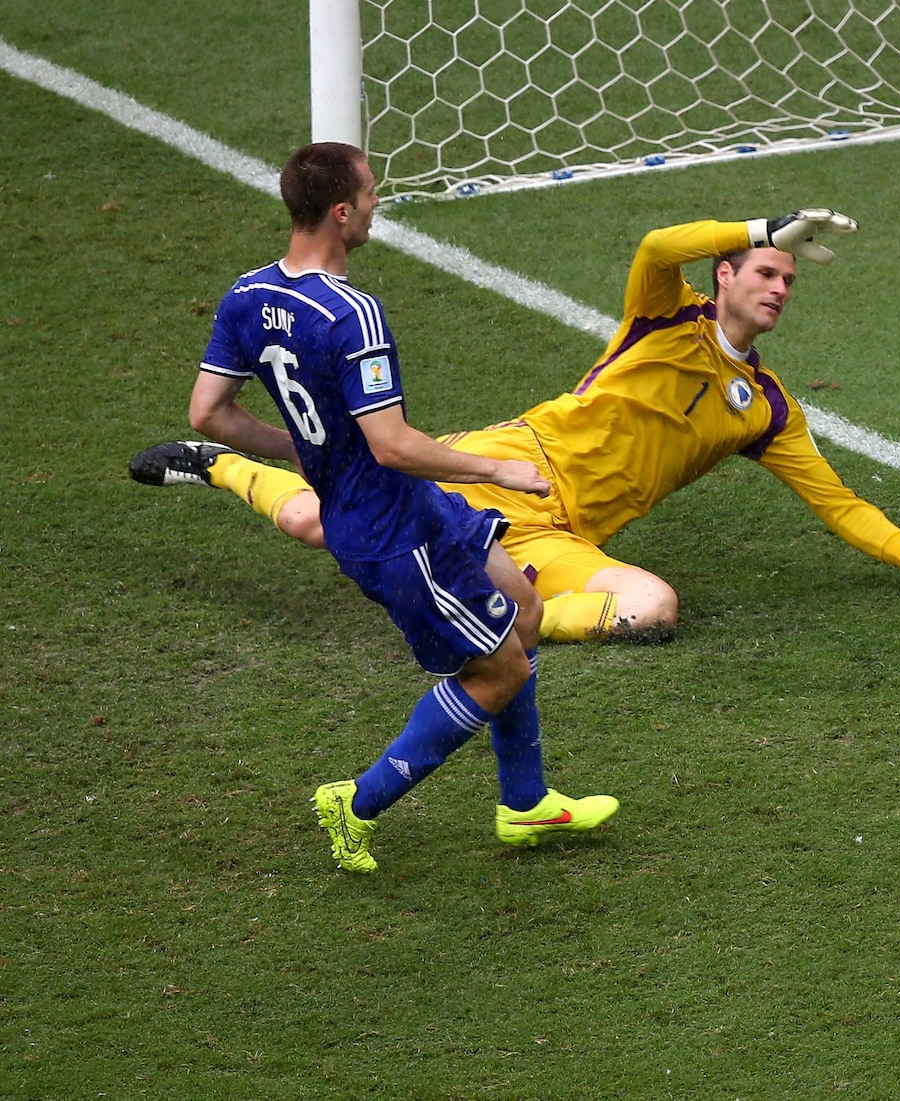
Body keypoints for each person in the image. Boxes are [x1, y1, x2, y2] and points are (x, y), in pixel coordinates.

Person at [131, 209, 900, 644]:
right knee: (308, 519)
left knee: (652, 609)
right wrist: (761, 221)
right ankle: (215, 462)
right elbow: (661, 244)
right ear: (725, 273)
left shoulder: (769, 410)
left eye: (789, 280)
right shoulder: (666, 315)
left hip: (568, 525)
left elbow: (837, 501)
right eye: (765, 271)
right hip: (512, 457)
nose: (779, 286)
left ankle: (495, 608)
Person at [188, 141, 617, 873]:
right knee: (500, 670)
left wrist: (300, 447)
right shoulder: (352, 313)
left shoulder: (248, 295)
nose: (379, 204)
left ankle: (526, 799)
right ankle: (357, 802)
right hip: (394, 531)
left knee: (525, 606)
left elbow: (208, 413)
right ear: (342, 211)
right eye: (372, 193)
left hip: (406, 508)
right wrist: (497, 468)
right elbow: (390, 444)